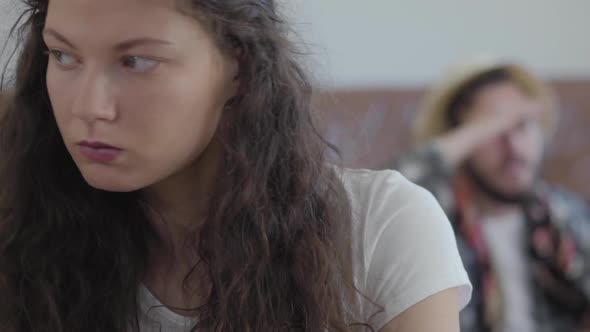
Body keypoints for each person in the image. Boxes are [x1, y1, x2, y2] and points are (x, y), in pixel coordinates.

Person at [0, 0, 471, 331]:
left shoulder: (378, 227)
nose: (89, 106)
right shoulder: (24, 234)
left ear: (240, 68)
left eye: (135, 61)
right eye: (63, 55)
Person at [392, 58, 590, 332]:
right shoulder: (435, 219)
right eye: (495, 129)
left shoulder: (561, 213)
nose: (513, 146)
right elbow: (389, 193)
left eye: (522, 125)